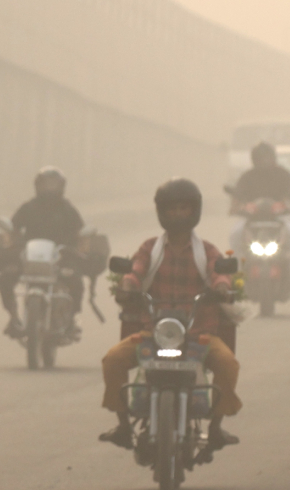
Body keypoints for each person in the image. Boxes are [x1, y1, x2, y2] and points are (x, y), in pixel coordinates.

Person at [99, 178, 241, 461]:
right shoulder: (150, 249)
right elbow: (135, 271)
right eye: (172, 209)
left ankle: (216, 427)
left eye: (183, 208)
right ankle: (124, 425)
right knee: (112, 360)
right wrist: (128, 286)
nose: (178, 214)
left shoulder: (208, 251)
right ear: (162, 212)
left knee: (227, 364)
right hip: (153, 332)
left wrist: (222, 288)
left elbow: (218, 273)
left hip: (200, 334)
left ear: (194, 211)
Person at [0, 167, 87, 338]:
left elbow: (79, 232)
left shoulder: (67, 209)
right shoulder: (28, 207)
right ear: (38, 186)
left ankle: (72, 319)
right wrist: (14, 241)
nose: (50, 189)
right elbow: (13, 228)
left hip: (60, 257)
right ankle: (13, 316)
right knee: (6, 276)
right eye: (46, 184)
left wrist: (75, 246)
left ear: (61, 187)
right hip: (29, 257)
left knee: (75, 279)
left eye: (53, 185)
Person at [228, 142, 290, 278]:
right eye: (260, 158)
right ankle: (239, 269)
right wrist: (236, 208)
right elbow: (237, 197)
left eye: (267, 157)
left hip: (279, 217)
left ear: (274, 158)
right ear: (254, 160)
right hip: (251, 218)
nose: (264, 161)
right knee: (235, 233)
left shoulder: (284, 174)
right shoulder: (247, 176)